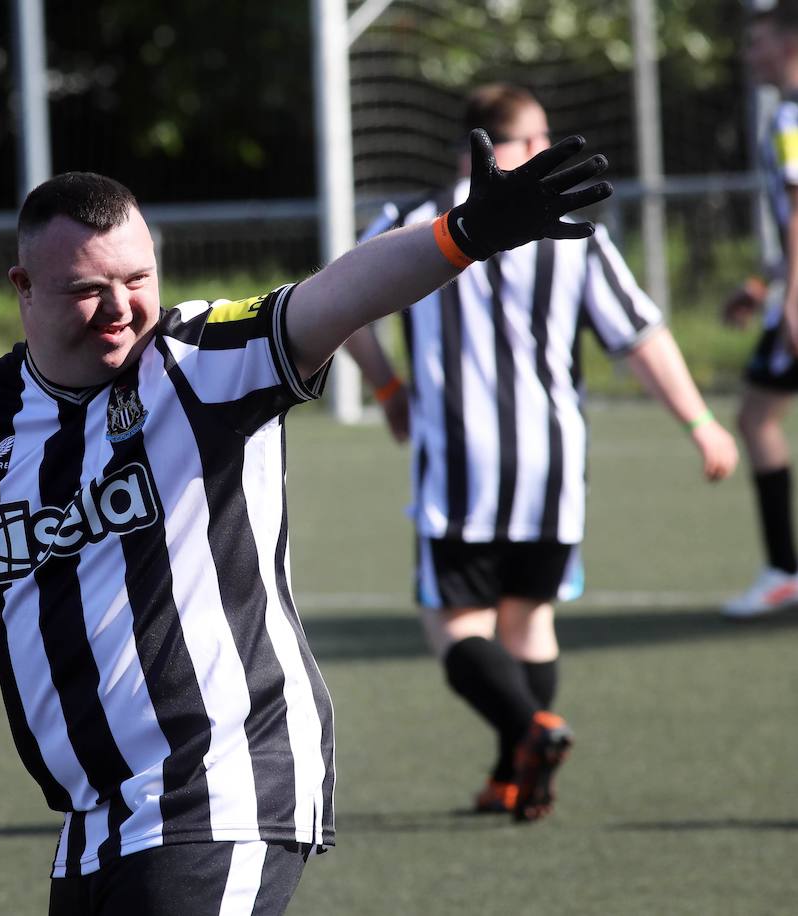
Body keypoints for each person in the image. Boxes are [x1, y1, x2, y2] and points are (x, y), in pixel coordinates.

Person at [0, 133, 613, 913]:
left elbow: (339, 296)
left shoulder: (205, 359)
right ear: (22, 285)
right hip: (92, 819)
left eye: (137, 278)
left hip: (223, 786)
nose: (120, 308)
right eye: (88, 288)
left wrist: (463, 234)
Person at [342, 83, 738, 823]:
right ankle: (514, 774)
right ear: (510, 148)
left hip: (459, 465)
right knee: (530, 623)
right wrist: (701, 422)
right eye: (541, 138)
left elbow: (348, 306)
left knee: (455, 626)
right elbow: (639, 337)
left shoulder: (407, 221)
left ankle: (529, 731)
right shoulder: (573, 231)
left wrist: (390, 388)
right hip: (552, 466)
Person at [721, 0, 798, 618]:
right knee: (757, 415)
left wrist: (792, 295)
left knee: (755, 416)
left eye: (760, 42)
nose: (751, 55)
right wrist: (762, 280)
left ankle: (782, 569)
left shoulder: (792, 114)